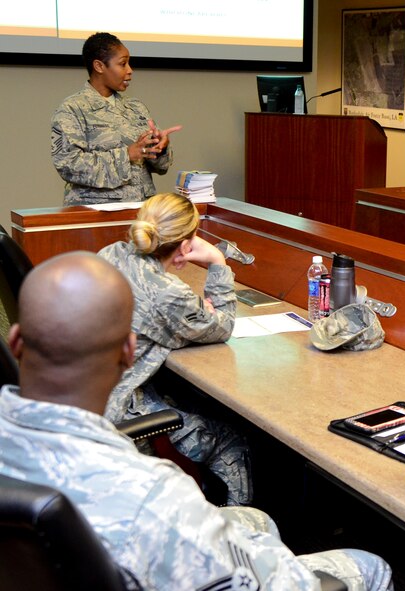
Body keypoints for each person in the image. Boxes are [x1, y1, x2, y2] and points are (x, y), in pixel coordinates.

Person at [0, 251, 394, 590]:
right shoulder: (157, 496)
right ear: (127, 351)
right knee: (371, 567)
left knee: (256, 520)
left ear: (16, 342)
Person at [99, 193, 251, 505]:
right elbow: (222, 328)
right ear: (185, 245)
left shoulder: (111, 254)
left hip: (87, 396)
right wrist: (217, 262)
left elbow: (156, 321)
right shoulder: (169, 293)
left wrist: (190, 315)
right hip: (119, 409)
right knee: (232, 439)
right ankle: (237, 533)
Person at [51, 32, 182, 205]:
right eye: (123, 64)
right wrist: (127, 155)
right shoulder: (72, 109)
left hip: (142, 210)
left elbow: (162, 166)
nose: (130, 70)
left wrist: (159, 147)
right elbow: (68, 165)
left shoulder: (136, 108)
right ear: (99, 66)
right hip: (96, 214)